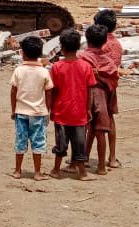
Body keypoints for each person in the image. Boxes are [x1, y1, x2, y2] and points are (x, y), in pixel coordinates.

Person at [49, 29, 97, 181]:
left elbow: (52, 90)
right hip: (79, 113)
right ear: (78, 47)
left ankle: (56, 170)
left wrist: (51, 108)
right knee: (79, 144)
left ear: (62, 47)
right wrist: (88, 109)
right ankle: (82, 172)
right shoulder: (85, 67)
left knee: (60, 145)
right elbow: (90, 91)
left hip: (61, 112)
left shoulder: (56, 67)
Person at [8, 35, 54, 181]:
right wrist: (48, 110)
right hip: (39, 113)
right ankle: (37, 172)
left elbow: (13, 91)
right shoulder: (44, 72)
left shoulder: (18, 71)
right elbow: (48, 92)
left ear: (22, 53)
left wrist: (13, 109)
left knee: (20, 141)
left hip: (21, 112)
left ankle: (17, 170)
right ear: (40, 53)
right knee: (38, 142)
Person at [79, 25, 118, 176]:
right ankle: (101, 166)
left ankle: (80, 160)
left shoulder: (82, 58)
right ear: (104, 42)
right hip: (103, 98)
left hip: (85, 98)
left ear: (87, 40)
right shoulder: (108, 62)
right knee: (101, 131)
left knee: (81, 130)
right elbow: (113, 82)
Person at [91, 10, 122, 168]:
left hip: (96, 87)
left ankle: (83, 156)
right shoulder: (116, 44)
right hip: (110, 85)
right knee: (110, 120)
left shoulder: (97, 43)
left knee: (92, 122)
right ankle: (112, 157)